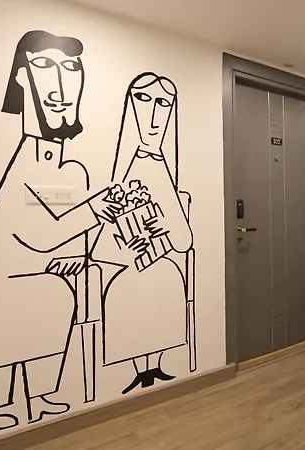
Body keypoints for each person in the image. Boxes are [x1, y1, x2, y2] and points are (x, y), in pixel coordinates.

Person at [0, 30, 118, 439]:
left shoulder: (66, 165)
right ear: (22, 77)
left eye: (70, 68)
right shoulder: (25, 158)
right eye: (43, 65)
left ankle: (39, 395)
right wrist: (93, 210)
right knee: (5, 318)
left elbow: (58, 221)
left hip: (39, 274)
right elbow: (33, 229)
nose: (59, 85)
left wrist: (78, 245)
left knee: (57, 298)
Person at [92, 72, 193, 394]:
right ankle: (138, 367)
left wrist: (166, 228)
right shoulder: (118, 172)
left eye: (164, 104)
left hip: (161, 261)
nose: (154, 116)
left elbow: (184, 238)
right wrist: (124, 245)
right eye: (144, 100)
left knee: (166, 280)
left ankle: (155, 364)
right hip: (125, 265)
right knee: (128, 290)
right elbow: (100, 241)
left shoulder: (163, 169)